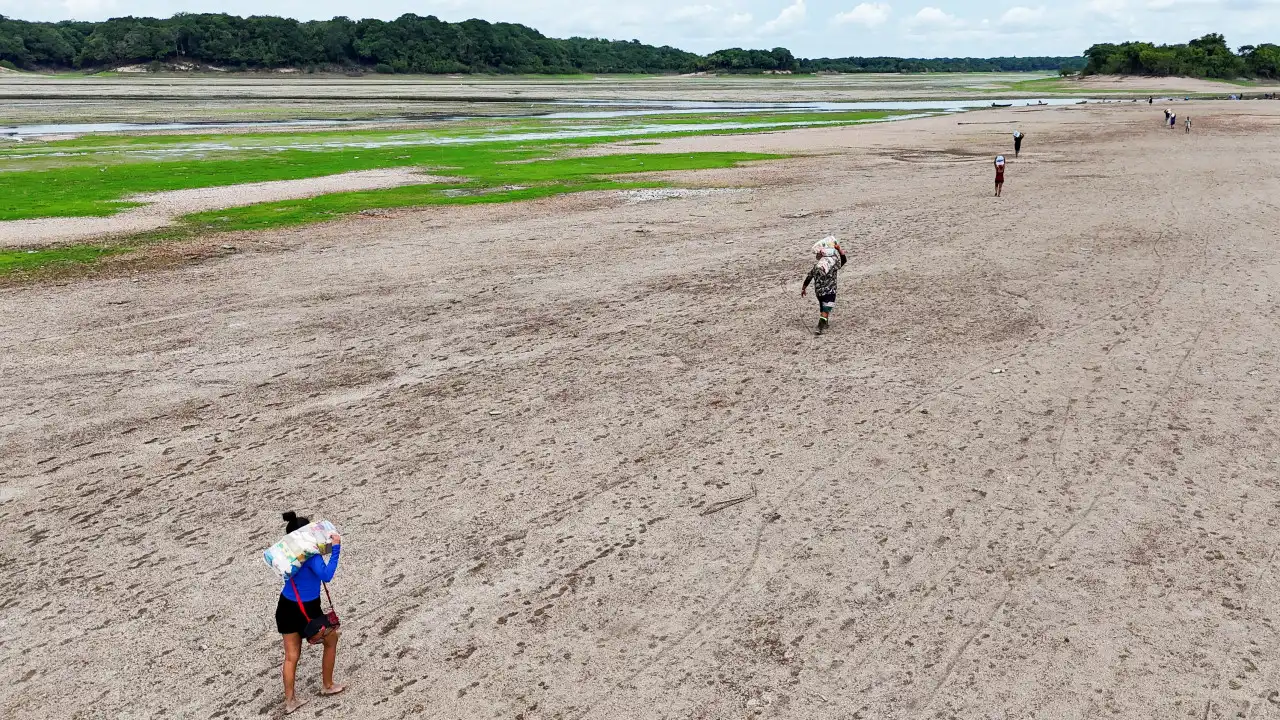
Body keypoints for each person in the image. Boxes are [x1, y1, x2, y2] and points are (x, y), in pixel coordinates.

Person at [276, 511, 345, 714]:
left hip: (286, 606)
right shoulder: (312, 556)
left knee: (291, 655)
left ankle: (290, 701)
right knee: (331, 640)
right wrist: (336, 549)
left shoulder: (288, 557)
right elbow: (327, 575)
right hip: (308, 608)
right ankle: (328, 685)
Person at [801, 244, 848, 335]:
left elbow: (809, 277)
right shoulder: (832, 265)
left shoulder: (817, 267)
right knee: (826, 310)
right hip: (830, 291)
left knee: (823, 307)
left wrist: (803, 288)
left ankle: (825, 322)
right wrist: (839, 249)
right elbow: (844, 260)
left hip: (818, 292)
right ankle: (819, 327)